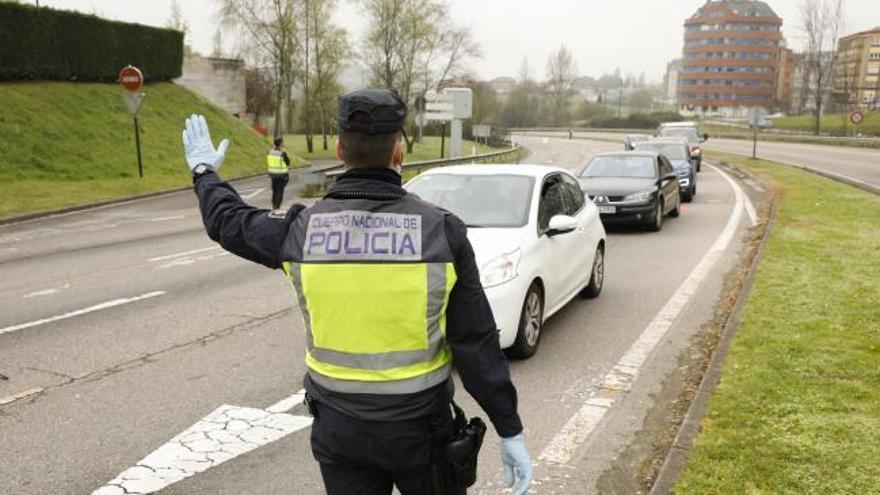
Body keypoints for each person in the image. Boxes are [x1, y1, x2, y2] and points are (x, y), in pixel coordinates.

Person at [181, 89, 532, 495]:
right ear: (398, 151)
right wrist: (509, 429)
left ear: (339, 149)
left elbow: (228, 221)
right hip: (422, 433)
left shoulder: (301, 231)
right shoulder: (441, 232)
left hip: (340, 434)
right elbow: (475, 342)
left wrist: (205, 172)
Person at [267, 136, 291, 210]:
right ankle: (277, 206)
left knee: (274, 191)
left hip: (272, 175)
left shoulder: (269, 152)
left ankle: (274, 205)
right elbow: (288, 163)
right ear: (280, 144)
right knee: (280, 191)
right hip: (281, 175)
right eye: (282, 142)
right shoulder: (282, 154)